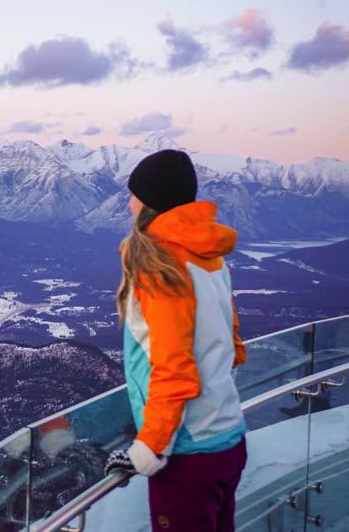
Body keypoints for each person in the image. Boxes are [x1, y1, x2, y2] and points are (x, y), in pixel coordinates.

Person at [105, 149, 248, 532]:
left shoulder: (160, 268)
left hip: (188, 451)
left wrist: (148, 448)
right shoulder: (209, 258)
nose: (127, 201)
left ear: (151, 202)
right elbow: (232, 345)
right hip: (228, 437)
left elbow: (173, 368)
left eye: (133, 193)